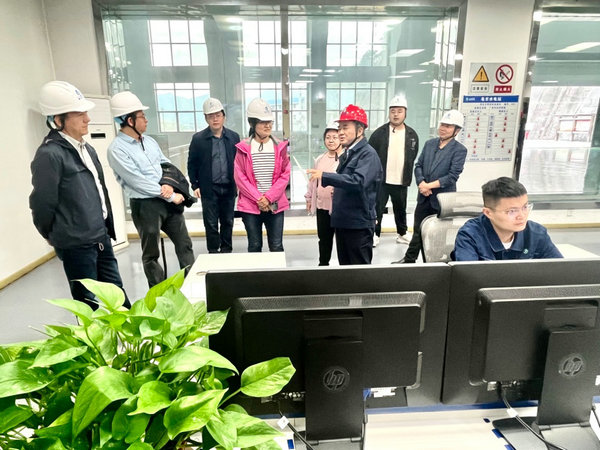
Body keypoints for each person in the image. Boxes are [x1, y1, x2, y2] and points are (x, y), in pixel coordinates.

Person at [30, 80, 129, 310]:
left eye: (86, 113)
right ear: (58, 120)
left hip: (100, 236)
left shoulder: (87, 149)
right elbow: (42, 202)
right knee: (87, 305)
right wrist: (51, 234)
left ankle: (127, 335)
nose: (88, 119)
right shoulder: (50, 155)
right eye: (79, 114)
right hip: (76, 243)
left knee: (118, 298)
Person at [107, 91, 195, 287]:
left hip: (167, 200)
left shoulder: (149, 142)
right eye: (142, 116)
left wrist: (168, 183)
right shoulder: (117, 149)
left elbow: (166, 164)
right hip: (145, 206)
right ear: (130, 120)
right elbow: (136, 181)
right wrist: (170, 196)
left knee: (184, 244)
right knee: (151, 254)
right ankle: (158, 294)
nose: (146, 120)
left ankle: (192, 287)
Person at [307, 104, 382, 265]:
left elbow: (358, 181)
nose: (340, 132)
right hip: (344, 222)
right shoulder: (349, 153)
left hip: (358, 225)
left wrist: (325, 176)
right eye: (339, 128)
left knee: (358, 272)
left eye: (345, 127)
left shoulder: (368, 154)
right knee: (346, 271)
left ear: (360, 130)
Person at [395, 109, 467, 264]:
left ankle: (434, 263)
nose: (443, 128)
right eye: (442, 124)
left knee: (438, 234)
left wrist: (429, 186)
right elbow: (418, 165)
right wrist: (421, 183)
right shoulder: (430, 144)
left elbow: (452, 176)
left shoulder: (460, 150)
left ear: (457, 130)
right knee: (418, 230)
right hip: (424, 196)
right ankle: (409, 259)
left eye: (448, 126)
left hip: (442, 200)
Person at [453, 177, 563, 261]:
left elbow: (559, 270)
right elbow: (468, 278)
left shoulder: (536, 233)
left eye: (525, 207)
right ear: (488, 213)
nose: (521, 216)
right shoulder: (470, 235)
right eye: (512, 211)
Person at [234, 98, 290, 252]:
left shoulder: (279, 147)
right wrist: (259, 199)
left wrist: (269, 198)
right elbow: (240, 177)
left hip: (275, 205)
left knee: (277, 246)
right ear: (252, 123)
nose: (268, 125)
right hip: (251, 206)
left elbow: (285, 175)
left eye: (270, 121)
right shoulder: (243, 148)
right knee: (254, 245)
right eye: (263, 122)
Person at [188, 98, 240, 254]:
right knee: (210, 223)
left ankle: (226, 251)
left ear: (224, 117)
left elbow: (239, 162)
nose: (215, 119)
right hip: (209, 189)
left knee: (228, 221)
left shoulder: (234, 137)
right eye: (211, 116)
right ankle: (212, 251)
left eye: (218, 115)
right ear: (206, 118)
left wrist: (239, 184)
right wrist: (195, 185)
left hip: (229, 187)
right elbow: (192, 164)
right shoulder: (198, 139)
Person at [369, 95, 420, 247]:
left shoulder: (412, 135)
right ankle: (374, 234)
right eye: (393, 111)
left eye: (399, 111)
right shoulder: (379, 133)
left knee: (400, 209)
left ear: (405, 113)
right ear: (389, 113)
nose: (396, 114)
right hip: (382, 180)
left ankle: (402, 233)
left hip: (401, 180)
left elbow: (413, 155)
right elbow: (370, 155)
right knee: (377, 209)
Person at [305, 122, 343, 266]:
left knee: (342, 240)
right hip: (322, 206)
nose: (331, 141)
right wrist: (309, 198)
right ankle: (323, 265)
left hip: (339, 208)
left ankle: (345, 268)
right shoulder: (320, 159)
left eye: (335, 137)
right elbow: (313, 181)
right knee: (324, 239)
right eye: (328, 137)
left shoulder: (346, 158)